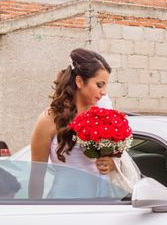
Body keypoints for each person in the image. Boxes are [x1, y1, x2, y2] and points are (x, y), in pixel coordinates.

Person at [29, 48, 139, 198]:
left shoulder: (104, 114)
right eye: (99, 85)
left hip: (102, 200)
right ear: (79, 81)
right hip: (62, 203)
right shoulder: (48, 120)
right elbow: (36, 176)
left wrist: (111, 164)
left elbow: (120, 160)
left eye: (105, 85)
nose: (104, 91)